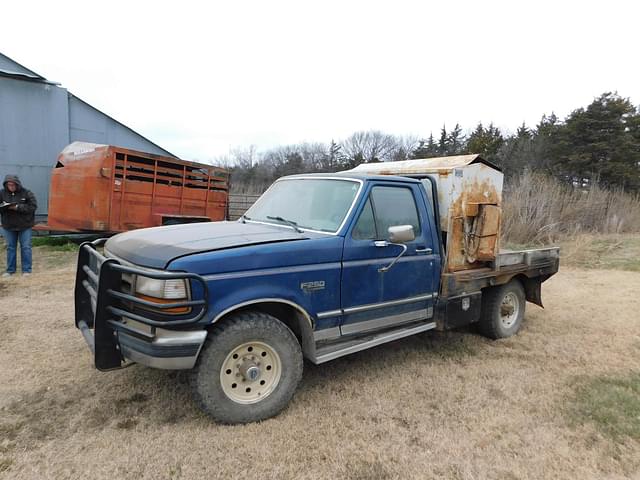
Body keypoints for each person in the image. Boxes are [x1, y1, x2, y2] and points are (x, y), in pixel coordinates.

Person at [1, 175, 37, 277]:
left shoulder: (26, 192)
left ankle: (26, 270)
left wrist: (17, 207)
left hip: (24, 225)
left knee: (26, 247)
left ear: (17, 184)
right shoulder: (1, 193)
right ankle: (10, 270)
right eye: (9, 185)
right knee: (10, 248)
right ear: (6, 184)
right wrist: (4, 207)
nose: (11, 186)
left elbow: (33, 206)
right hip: (8, 225)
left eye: (13, 185)